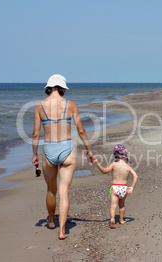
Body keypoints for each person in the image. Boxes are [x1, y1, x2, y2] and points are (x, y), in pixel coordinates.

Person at [32, 74, 94, 240]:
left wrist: (34, 154)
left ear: (49, 87)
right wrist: (89, 150)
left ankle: (51, 221)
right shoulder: (71, 105)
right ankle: (62, 231)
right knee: (64, 192)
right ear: (62, 88)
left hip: (49, 150)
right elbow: (81, 130)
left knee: (51, 190)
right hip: (67, 149)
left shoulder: (39, 106)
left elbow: (36, 133)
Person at [94, 144, 138, 229]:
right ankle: (121, 220)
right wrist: (132, 186)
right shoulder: (127, 166)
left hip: (115, 187)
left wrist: (98, 163)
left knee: (113, 206)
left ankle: (112, 219)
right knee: (121, 204)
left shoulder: (114, 164)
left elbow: (104, 171)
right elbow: (136, 176)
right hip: (123, 188)